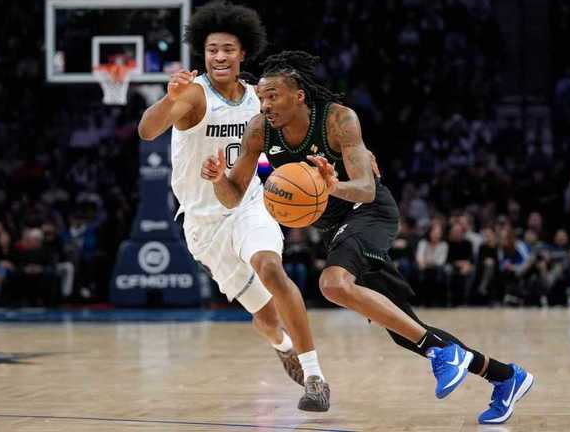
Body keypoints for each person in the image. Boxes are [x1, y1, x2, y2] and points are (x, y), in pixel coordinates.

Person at [201, 50, 534, 424]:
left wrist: (332, 185)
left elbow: (366, 188)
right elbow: (232, 196)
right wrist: (219, 180)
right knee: (403, 329)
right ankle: (505, 377)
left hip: (370, 212)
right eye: (261, 98)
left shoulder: (338, 120)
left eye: (273, 96)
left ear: (298, 95)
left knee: (333, 284)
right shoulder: (260, 130)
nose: (265, 105)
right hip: (337, 228)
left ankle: (445, 355)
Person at [137, 2, 329, 411]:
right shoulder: (193, 93)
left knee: (271, 268)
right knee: (266, 317)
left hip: (248, 202)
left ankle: (315, 377)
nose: (219, 57)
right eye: (212, 50)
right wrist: (168, 100)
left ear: (243, 53)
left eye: (227, 49)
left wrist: (320, 162)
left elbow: (291, 135)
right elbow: (148, 130)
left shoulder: (258, 97)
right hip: (204, 224)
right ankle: (282, 345)